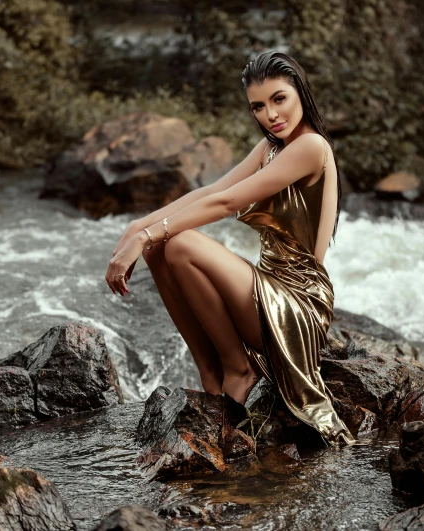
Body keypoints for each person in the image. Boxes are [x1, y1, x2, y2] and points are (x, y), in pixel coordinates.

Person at [105, 51, 355, 446]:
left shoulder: (311, 147)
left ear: (300, 93)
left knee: (179, 242)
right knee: (161, 248)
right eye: (258, 106)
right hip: (266, 291)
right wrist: (142, 225)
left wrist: (145, 235)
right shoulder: (272, 146)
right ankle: (210, 373)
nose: (271, 114)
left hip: (297, 306)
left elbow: (226, 204)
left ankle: (237, 369)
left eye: (279, 98)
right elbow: (213, 190)